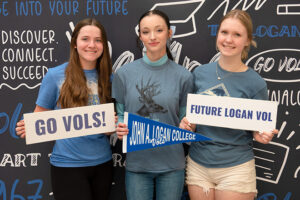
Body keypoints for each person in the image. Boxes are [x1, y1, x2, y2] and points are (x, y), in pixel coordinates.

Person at [180, 9, 278, 200]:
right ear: (217, 35)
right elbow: (191, 119)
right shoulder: (200, 73)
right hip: (198, 166)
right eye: (224, 32)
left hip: (236, 169)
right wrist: (187, 125)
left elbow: (258, 129)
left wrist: (261, 135)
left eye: (237, 34)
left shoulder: (256, 83)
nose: (228, 40)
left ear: (247, 40)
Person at [15, 18, 114, 200]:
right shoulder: (55, 76)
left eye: (98, 40)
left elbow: (110, 128)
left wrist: (114, 124)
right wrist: (30, 127)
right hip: (67, 166)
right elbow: (40, 118)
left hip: (103, 165)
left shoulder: (110, 78)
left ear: (103, 45)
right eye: (85, 39)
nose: (92, 45)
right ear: (75, 43)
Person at [112, 10, 193, 200]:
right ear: (140, 35)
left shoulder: (184, 76)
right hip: (137, 165)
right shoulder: (124, 74)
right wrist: (120, 128)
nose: (153, 37)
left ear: (169, 33)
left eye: (159, 30)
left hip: (172, 165)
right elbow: (120, 114)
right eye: (146, 31)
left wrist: (188, 125)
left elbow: (184, 118)